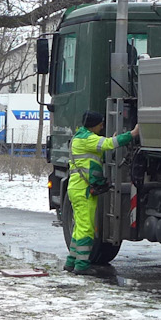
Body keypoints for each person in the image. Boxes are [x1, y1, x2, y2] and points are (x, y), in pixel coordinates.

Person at [64, 111, 137, 273]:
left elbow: (101, 146)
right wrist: (132, 134)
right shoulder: (87, 139)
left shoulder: (81, 137)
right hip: (83, 190)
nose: (102, 126)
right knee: (86, 229)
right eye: (100, 124)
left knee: (78, 227)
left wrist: (112, 139)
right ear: (93, 125)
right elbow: (108, 144)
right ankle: (81, 266)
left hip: (78, 188)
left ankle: (71, 262)